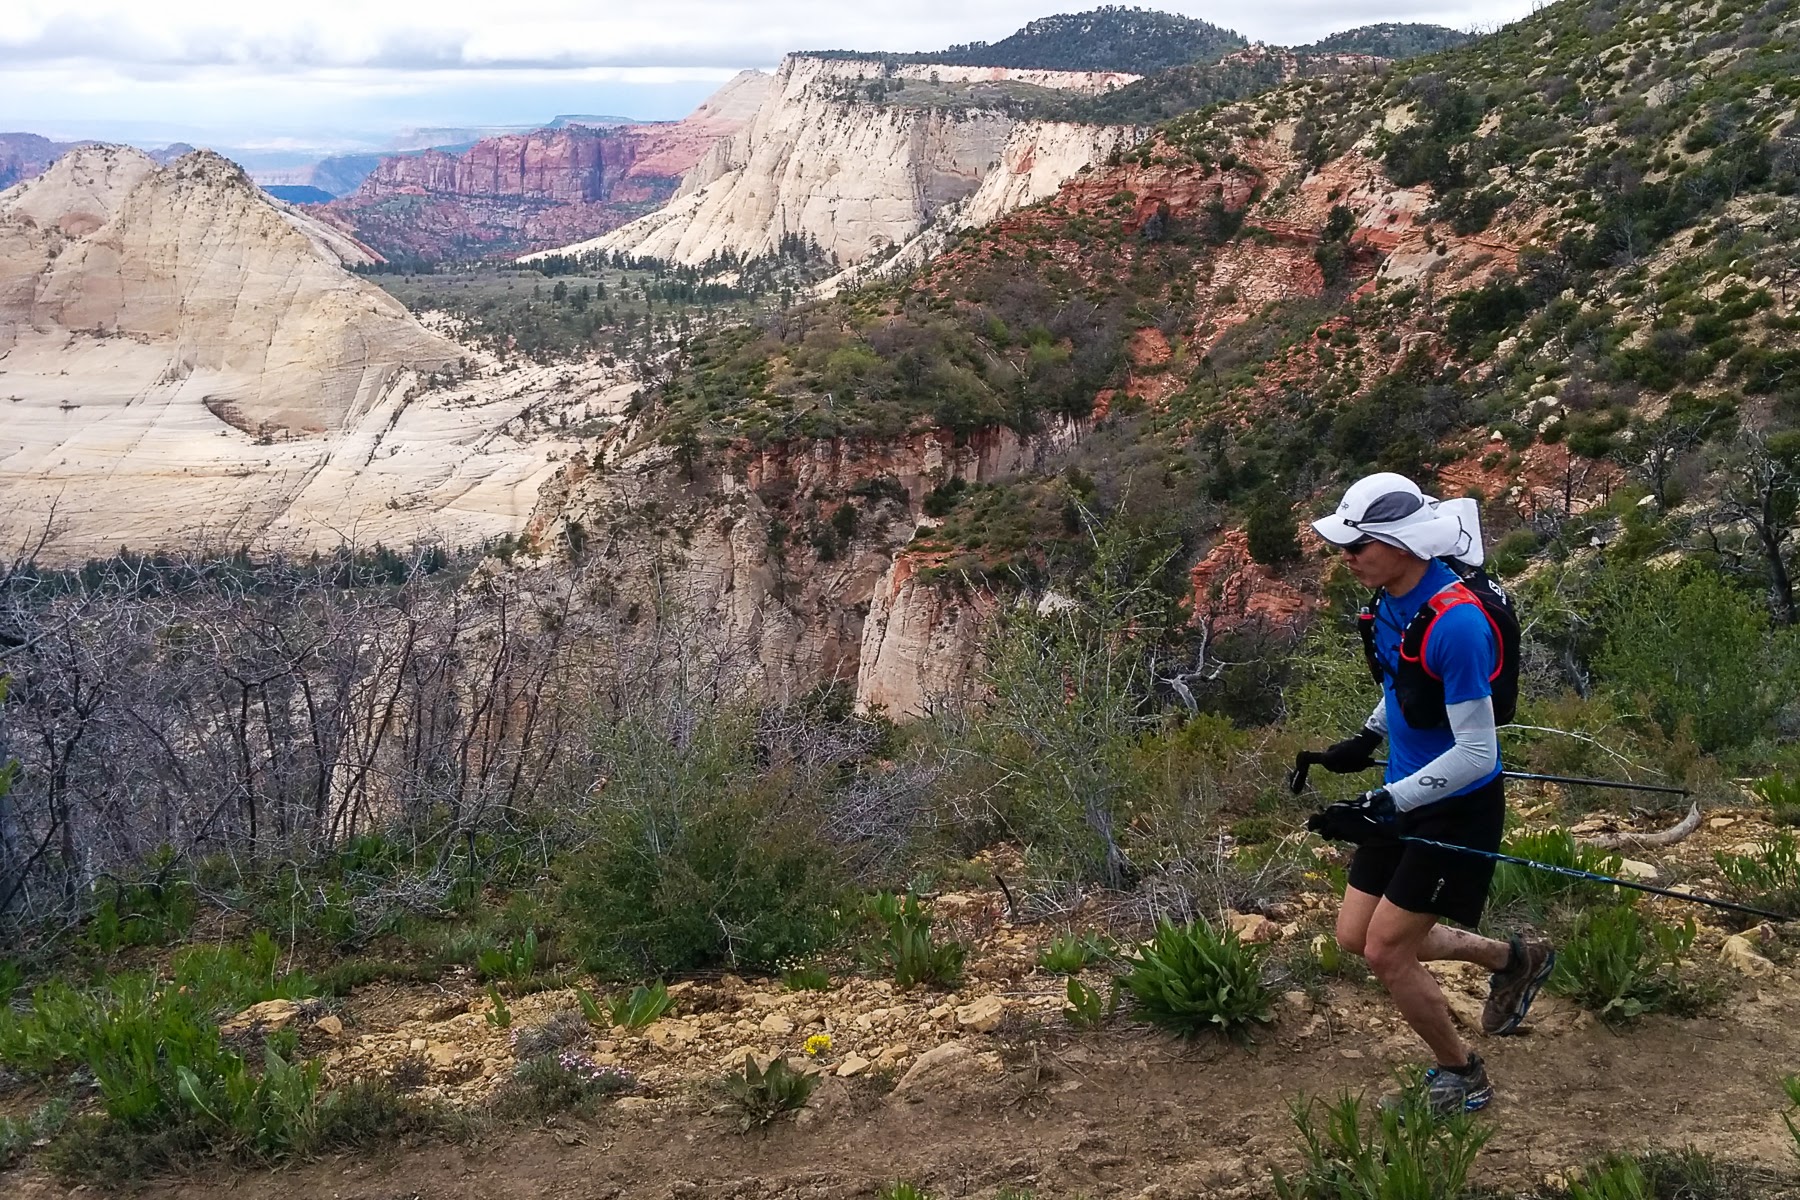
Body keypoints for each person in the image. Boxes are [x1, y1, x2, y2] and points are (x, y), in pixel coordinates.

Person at [1302, 471, 1554, 1117]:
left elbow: (1477, 753)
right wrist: (1366, 737)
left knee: (1386, 952)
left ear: (1401, 543)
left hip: (1457, 807)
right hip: (1405, 789)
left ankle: (1462, 1073)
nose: (1345, 557)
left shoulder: (1458, 624)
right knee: (1355, 936)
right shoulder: (1392, 600)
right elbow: (1404, 681)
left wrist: (1386, 804)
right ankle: (1513, 959)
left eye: (1356, 545)